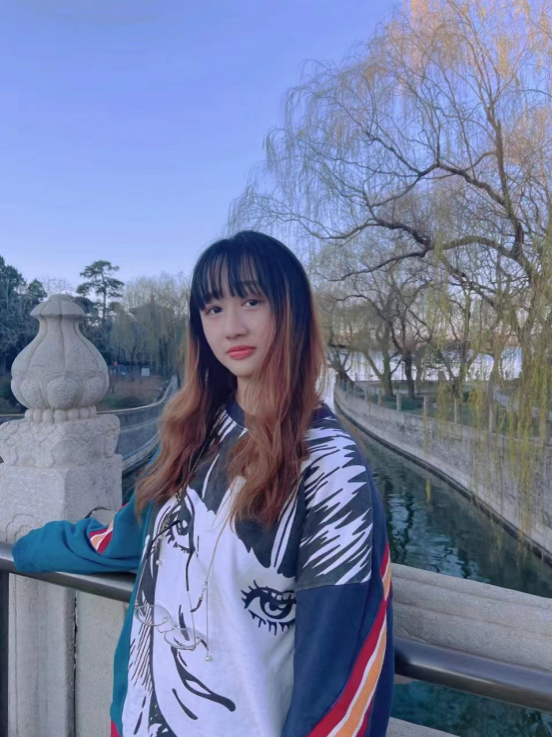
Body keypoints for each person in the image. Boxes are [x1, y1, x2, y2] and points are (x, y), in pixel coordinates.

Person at [13, 231, 394, 738]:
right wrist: (25, 548)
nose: (231, 326)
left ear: (291, 311)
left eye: (252, 302)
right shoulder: (194, 433)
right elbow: (129, 541)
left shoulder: (330, 467)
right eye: (213, 309)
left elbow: (341, 683)